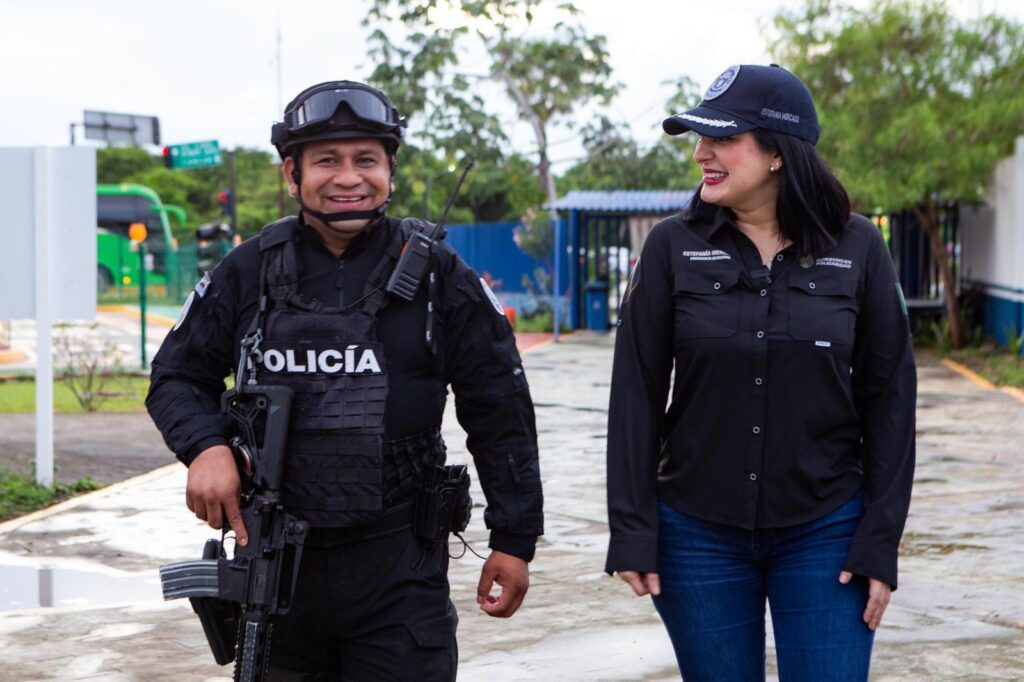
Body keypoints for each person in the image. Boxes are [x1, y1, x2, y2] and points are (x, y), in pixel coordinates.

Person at [147, 80, 543, 680]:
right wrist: (206, 446)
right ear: (292, 173)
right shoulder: (248, 270)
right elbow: (175, 374)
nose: (348, 177)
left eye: (366, 160)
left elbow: (500, 409)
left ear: (390, 170)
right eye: (326, 160)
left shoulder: (442, 277)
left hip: (399, 568)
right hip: (275, 570)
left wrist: (513, 539)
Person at [605, 64, 916, 680]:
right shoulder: (670, 246)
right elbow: (635, 394)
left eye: (721, 138)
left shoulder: (858, 247)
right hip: (695, 534)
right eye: (699, 139)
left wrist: (880, 539)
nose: (701, 153)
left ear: (778, 153)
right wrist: (633, 528)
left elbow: (891, 400)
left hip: (827, 532)